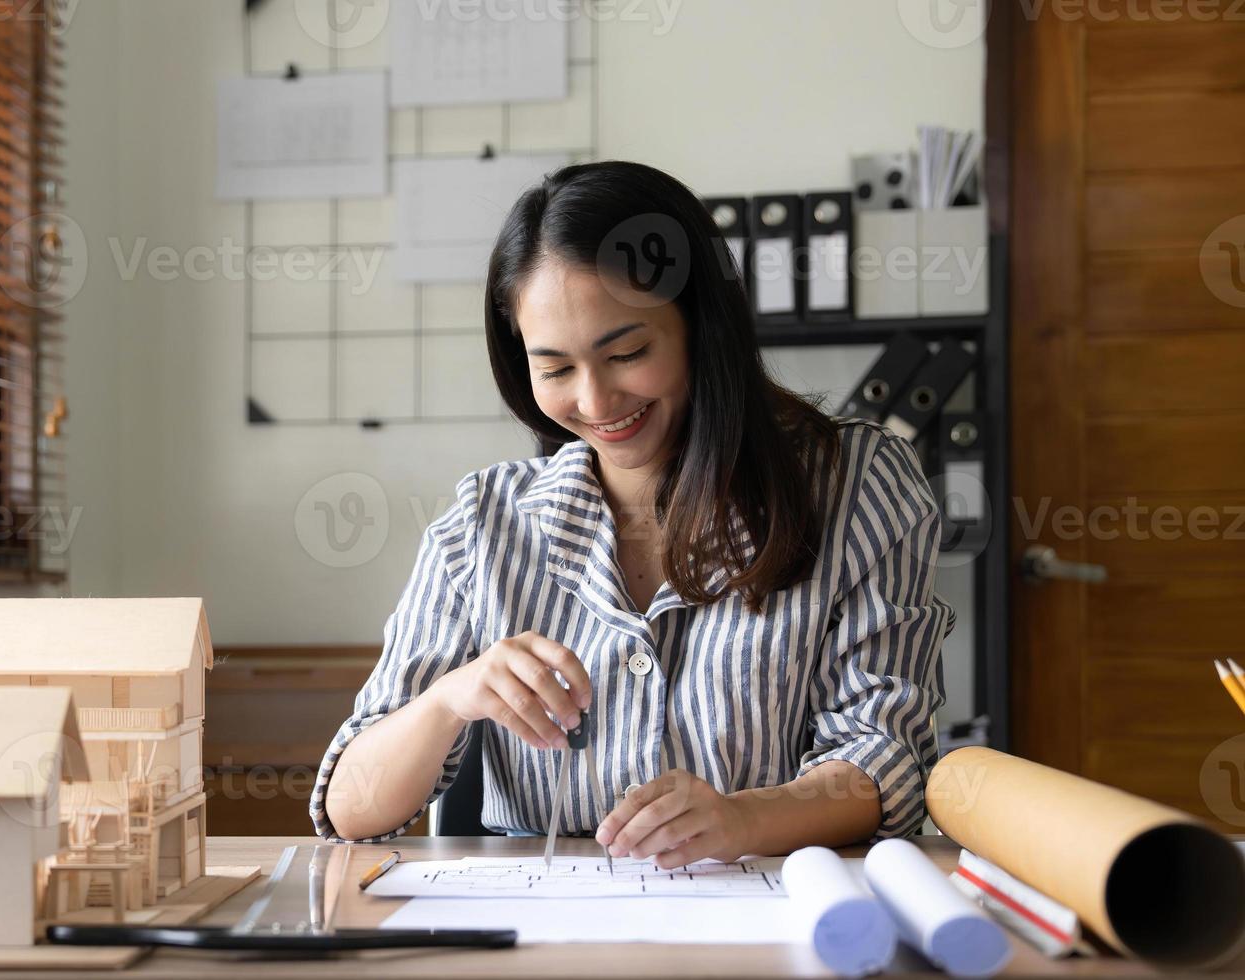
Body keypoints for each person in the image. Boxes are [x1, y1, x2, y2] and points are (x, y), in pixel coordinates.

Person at [309, 161, 952, 867]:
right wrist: (446, 702)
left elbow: (883, 759)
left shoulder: (857, 486)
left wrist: (741, 820)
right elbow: (351, 809)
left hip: (768, 922)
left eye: (628, 352)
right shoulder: (483, 524)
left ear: (702, 328)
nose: (595, 401)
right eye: (554, 369)